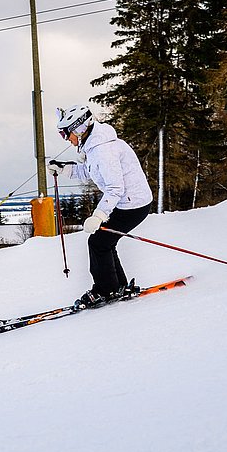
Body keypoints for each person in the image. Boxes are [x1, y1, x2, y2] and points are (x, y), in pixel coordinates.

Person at [50, 104, 153, 309]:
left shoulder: (102, 150)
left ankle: (105, 290)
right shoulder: (95, 145)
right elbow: (92, 172)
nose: (66, 139)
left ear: (79, 128)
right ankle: (117, 286)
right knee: (103, 242)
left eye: (65, 133)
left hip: (132, 204)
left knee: (98, 243)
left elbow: (115, 187)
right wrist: (65, 169)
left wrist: (99, 215)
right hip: (129, 202)